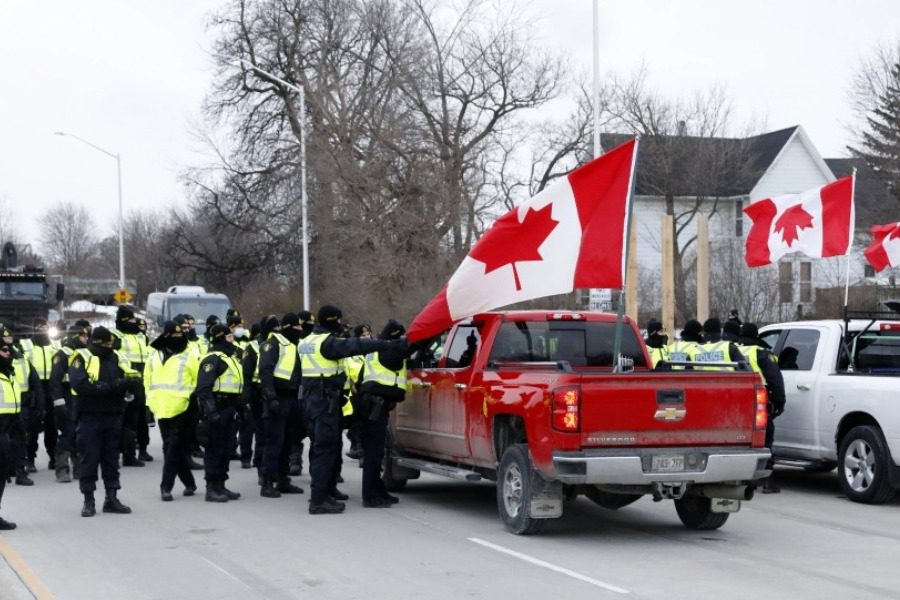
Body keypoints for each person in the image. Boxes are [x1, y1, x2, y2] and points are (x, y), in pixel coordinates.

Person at [299, 304, 406, 514]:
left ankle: (326, 492)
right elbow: (353, 346)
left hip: (313, 399)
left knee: (326, 447)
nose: (340, 324)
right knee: (325, 449)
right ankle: (319, 500)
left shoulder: (307, 341)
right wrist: (382, 344)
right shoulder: (326, 343)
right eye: (337, 320)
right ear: (331, 320)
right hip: (324, 400)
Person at [68, 326, 138, 517]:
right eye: (106, 343)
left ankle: (111, 497)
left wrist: (127, 385)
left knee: (111, 459)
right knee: (89, 458)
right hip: (90, 416)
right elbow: (80, 385)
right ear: (98, 342)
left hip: (113, 415)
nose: (110, 346)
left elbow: (131, 378)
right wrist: (110, 388)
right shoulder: (81, 357)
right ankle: (88, 499)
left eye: (111, 343)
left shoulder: (116, 357)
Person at [145, 321, 201, 502]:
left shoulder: (189, 354)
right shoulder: (154, 356)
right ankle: (189, 483)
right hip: (161, 408)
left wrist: (191, 399)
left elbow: (198, 379)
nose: (178, 339)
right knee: (171, 448)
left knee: (173, 446)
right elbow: (147, 380)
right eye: (174, 336)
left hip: (183, 408)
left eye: (180, 335)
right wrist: (149, 402)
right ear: (166, 337)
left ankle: (165, 486)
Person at [356, 320, 408, 508]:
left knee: (376, 453)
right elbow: (406, 350)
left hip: (373, 403)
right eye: (400, 336)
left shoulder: (375, 350)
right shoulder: (389, 351)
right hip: (375, 406)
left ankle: (378, 491)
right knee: (373, 453)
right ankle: (370, 496)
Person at [195, 324, 246, 502]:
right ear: (220, 337)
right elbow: (203, 388)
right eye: (229, 336)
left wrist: (241, 407)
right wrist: (211, 412)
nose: (233, 339)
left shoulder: (230, 357)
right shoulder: (213, 359)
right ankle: (211, 488)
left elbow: (233, 387)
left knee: (226, 449)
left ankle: (221, 485)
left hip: (229, 408)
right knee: (214, 449)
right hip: (217, 408)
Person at [257, 314, 305, 498]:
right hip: (277, 399)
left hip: (292, 399)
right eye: (296, 328)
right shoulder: (273, 343)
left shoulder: (293, 345)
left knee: (288, 441)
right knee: (274, 443)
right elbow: (265, 371)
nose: (299, 331)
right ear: (286, 328)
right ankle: (267, 481)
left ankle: (283, 479)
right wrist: (271, 397)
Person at [739, 322, 786, 494]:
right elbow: (775, 380)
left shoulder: (732, 350)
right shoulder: (760, 352)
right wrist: (780, 402)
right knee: (764, 439)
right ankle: (765, 480)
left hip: (735, 401)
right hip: (757, 401)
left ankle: (741, 477)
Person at [49, 324, 90, 483]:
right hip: (67, 400)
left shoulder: (86, 353)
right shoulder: (63, 354)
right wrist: (59, 403)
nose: (86, 339)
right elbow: (55, 381)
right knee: (68, 434)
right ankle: (62, 469)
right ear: (75, 336)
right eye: (83, 336)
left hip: (81, 400)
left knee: (81, 434)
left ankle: (79, 467)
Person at [111, 305, 152, 467]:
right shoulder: (116, 336)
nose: (133, 322)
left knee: (140, 418)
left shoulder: (140, 337)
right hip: (125, 383)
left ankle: (139, 449)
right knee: (125, 420)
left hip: (142, 383)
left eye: (133, 319)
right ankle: (124, 453)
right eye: (129, 320)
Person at [4, 325, 40, 485]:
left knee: (20, 440)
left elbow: (34, 380)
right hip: (2, 410)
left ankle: (20, 471)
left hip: (20, 405)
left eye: (10, 337)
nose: (8, 341)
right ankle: (6, 469)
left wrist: (38, 401)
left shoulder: (20, 357)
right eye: (5, 338)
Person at [22, 319, 56, 474]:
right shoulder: (26, 345)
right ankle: (30, 459)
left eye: (45, 328)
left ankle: (53, 457)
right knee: (32, 427)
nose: (43, 330)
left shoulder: (55, 345)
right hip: (34, 390)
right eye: (39, 328)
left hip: (52, 388)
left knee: (52, 425)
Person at [0, 341, 21, 529]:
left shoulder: (8, 372)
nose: (8, 353)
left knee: (2, 474)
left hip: (6, 430)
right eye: (4, 350)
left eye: (9, 350)